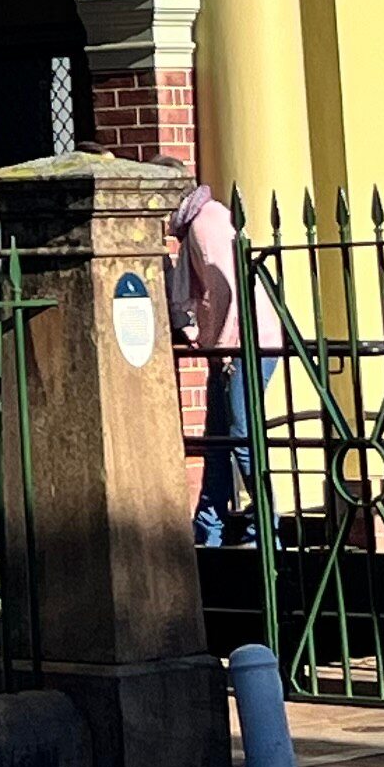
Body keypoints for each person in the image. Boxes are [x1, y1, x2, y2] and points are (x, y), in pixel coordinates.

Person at [169, 174, 261, 547]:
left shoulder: (204, 227)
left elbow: (228, 292)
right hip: (229, 347)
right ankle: (209, 526)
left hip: (240, 346)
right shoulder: (206, 220)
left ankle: (264, 528)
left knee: (239, 436)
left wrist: (220, 350)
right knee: (219, 439)